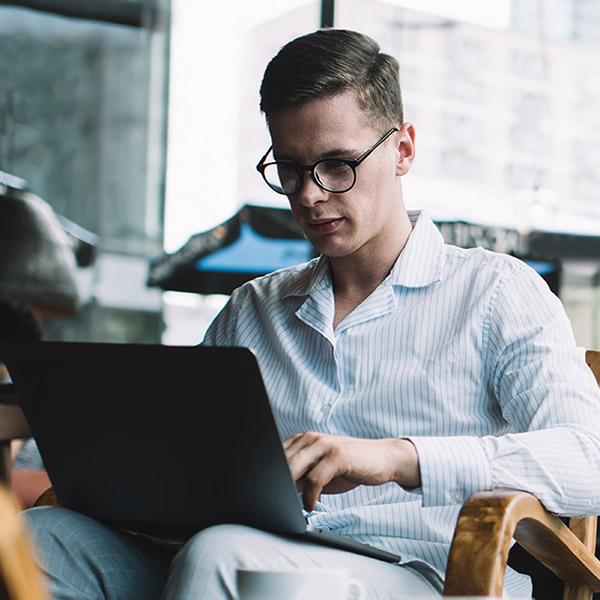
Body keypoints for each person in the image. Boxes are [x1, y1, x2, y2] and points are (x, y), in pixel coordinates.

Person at [24, 28, 600, 599]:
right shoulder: (252, 309)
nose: (309, 195)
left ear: (402, 150)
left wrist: (400, 458)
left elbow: (590, 461)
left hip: (416, 574)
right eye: (292, 170)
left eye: (336, 166)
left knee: (224, 558)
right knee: (41, 537)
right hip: (232, 547)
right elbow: (181, 454)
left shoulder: (497, 291)